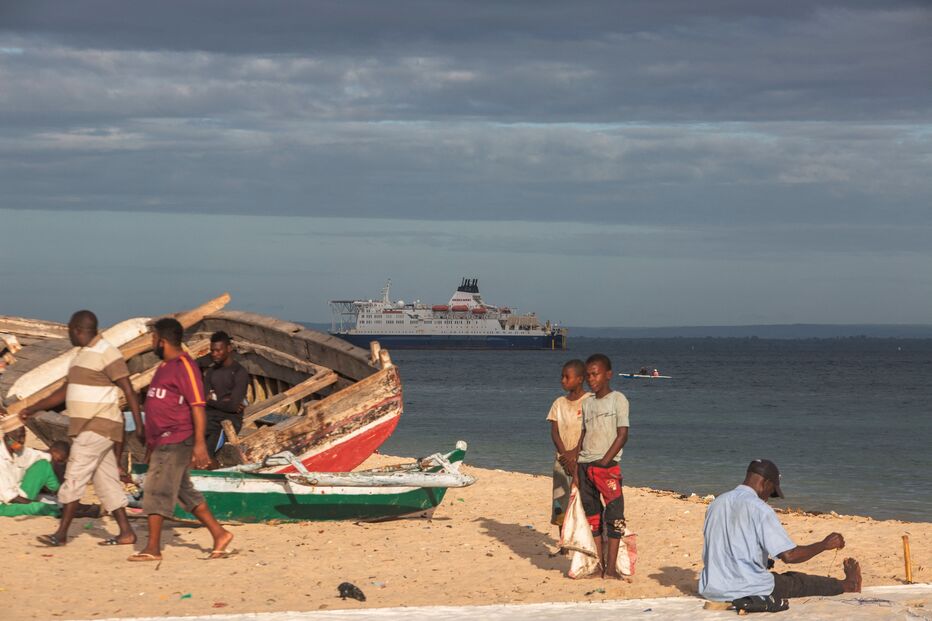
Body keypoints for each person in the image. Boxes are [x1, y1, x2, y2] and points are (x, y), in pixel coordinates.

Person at [20, 310, 143, 546]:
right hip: (91, 428)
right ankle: (127, 532)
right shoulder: (80, 355)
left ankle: (61, 534)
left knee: (74, 476)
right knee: (106, 481)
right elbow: (64, 392)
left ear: (77, 330)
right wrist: (33, 408)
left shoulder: (107, 352)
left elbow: (128, 388)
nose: (68, 333)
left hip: (97, 425)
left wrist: (138, 425)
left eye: (69, 329)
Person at [132, 317, 232, 562]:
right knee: (184, 492)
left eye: (153, 339)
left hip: (177, 437)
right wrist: (150, 443)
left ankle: (153, 548)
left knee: (156, 489)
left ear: (162, 341)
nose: (152, 343)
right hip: (162, 440)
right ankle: (220, 534)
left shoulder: (184, 365)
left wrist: (200, 444)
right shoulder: (164, 367)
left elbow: (197, 405)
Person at [699, 459, 862, 604]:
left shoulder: (716, 504)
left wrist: (763, 561)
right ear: (766, 483)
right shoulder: (760, 509)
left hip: (713, 589)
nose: (768, 497)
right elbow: (790, 556)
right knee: (798, 581)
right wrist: (824, 545)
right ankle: (849, 585)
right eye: (772, 492)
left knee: (772, 574)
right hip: (747, 590)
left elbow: (727, 545)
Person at [573, 353, 630, 578]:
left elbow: (622, 434)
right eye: (588, 375)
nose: (591, 379)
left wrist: (605, 461)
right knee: (593, 517)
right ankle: (599, 566)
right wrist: (577, 468)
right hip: (584, 466)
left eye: (595, 374)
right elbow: (583, 435)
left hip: (607, 468)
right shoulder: (587, 403)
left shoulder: (618, 399)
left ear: (608, 375)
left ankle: (612, 568)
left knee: (615, 517)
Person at [546, 359, 591, 532]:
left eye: (567, 377)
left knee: (584, 501)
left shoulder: (590, 401)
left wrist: (575, 453)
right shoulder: (559, 403)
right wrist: (565, 455)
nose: (563, 380)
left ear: (580, 379)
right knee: (561, 502)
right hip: (562, 461)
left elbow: (589, 431)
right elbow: (555, 432)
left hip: (583, 459)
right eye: (562, 377)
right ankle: (563, 541)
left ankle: (584, 539)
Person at [203, 331, 249, 458]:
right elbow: (203, 399)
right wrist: (224, 401)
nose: (214, 354)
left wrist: (211, 401)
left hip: (229, 421)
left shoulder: (239, 372)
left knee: (208, 452)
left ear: (229, 349)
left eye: (218, 350)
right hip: (209, 418)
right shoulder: (211, 372)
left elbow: (233, 407)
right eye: (212, 351)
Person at [0, 421, 61, 517]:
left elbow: (44, 456)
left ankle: (63, 496)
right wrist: (32, 503)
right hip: (5, 504)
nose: (22, 441)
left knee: (43, 465)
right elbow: (9, 496)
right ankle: (63, 511)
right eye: (19, 437)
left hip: (20, 493)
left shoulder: (19, 450)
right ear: (7, 438)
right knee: (37, 507)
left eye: (24, 436)